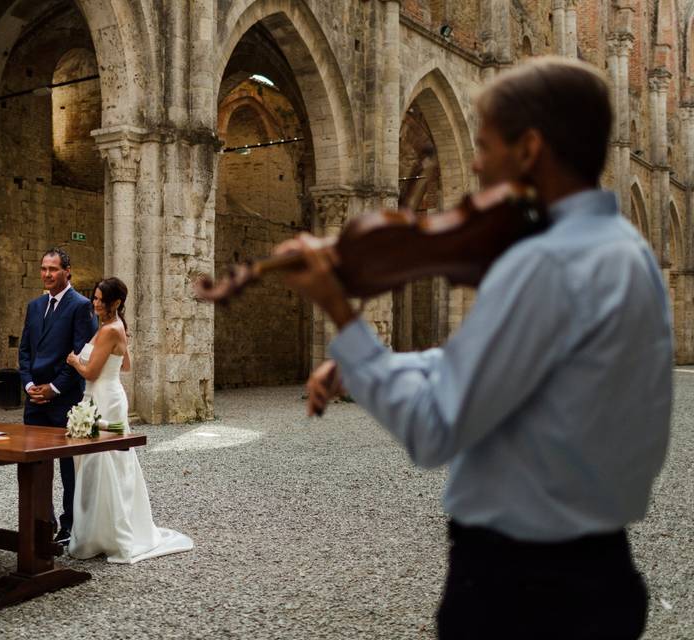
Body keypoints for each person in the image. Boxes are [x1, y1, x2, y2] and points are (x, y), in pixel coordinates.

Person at [278, 57, 670, 640]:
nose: (476, 166)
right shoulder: (625, 253)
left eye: (484, 147)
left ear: (530, 149)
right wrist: (365, 369)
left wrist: (341, 313)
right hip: (599, 574)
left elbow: (436, 428)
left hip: (521, 591)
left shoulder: (543, 263)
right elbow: (496, 368)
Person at [65, 277, 194, 562]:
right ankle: (99, 531)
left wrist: (75, 361)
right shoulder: (113, 327)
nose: (95, 302)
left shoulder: (111, 329)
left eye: (100, 299)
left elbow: (91, 373)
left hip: (104, 400)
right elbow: (126, 364)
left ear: (116, 303)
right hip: (106, 395)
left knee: (106, 462)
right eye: (95, 298)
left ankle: (109, 533)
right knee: (102, 462)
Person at [18, 248, 97, 545]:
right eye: (43, 269)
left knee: (68, 466)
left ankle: (69, 525)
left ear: (67, 271)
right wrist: (28, 385)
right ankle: (42, 521)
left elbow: (81, 354)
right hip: (34, 399)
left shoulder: (81, 306)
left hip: (64, 399)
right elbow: (24, 350)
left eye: (53, 269)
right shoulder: (34, 305)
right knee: (34, 465)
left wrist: (54, 388)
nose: (47, 274)